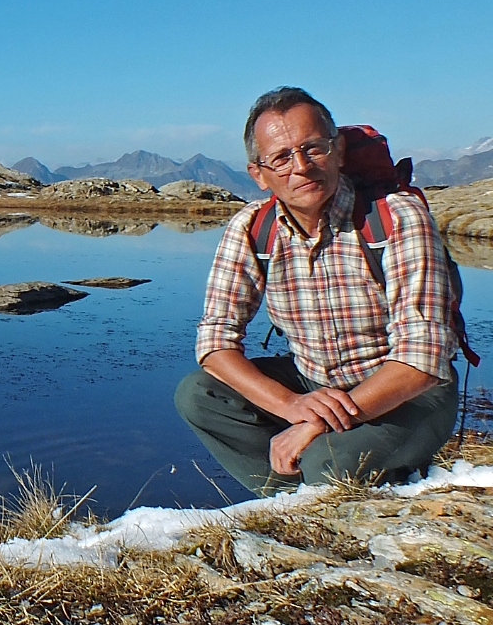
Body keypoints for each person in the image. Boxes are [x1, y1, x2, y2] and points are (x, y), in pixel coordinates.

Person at [174, 86, 459, 495]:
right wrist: (290, 405)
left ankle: (322, 485)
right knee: (198, 395)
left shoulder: (395, 218)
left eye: (313, 148)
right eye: (281, 157)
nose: (301, 167)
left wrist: (313, 424)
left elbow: (423, 357)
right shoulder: (252, 229)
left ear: (339, 151)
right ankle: (288, 500)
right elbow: (215, 342)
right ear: (259, 174)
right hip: (312, 385)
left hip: (408, 394)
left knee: (327, 462)